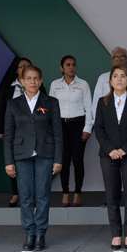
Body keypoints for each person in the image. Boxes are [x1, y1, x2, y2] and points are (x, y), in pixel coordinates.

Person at [3, 65, 62, 251]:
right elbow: (8, 135)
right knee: (26, 196)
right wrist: (8, 161)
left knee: (43, 196)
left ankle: (41, 233)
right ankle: (30, 233)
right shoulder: (13, 104)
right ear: (21, 81)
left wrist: (58, 159)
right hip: (21, 155)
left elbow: (58, 134)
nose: (32, 82)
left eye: (36, 78)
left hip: (45, 154)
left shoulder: (51, 102)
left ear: (41, 80)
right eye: (28, 78)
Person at [95, 66, 127, 250]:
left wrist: (124, 149)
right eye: (115, 76)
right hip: (108, 156)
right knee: (112, 195)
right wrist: (110, 150)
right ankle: (116, 234)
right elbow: (98, 128)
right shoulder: (103, 102)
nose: (119, 79)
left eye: (123, 76)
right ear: (110, 81)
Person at [49, 55, 93, 207]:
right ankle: (65, 192)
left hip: (78, 124)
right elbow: (51, 109)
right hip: (61, 125)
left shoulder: (83, 84)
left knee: (78, 160)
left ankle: (78, 192)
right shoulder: (55, 85)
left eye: (73, 64)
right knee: (64, 160)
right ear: (62, 68)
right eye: (67, 65)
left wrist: (87, 128)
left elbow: (89, 108)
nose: (71, 67)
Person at [0, 57, 34, 207]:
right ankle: (15, 193)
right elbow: (0, 109)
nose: (23, 68)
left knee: (30, 161)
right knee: (12, 163)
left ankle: (30, 194)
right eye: (20, 66)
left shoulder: (37, 86)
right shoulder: (9, 87)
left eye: (27, 66)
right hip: (11, 131)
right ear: (16, 70)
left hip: (31, 131)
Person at [92, 46, 127, 133]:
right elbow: (96, 104)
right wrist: (98, 127)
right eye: (115, 57)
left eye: (122, 56)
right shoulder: (103, 78)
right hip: (108, 128)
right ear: (112, 60)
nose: (119, 59)